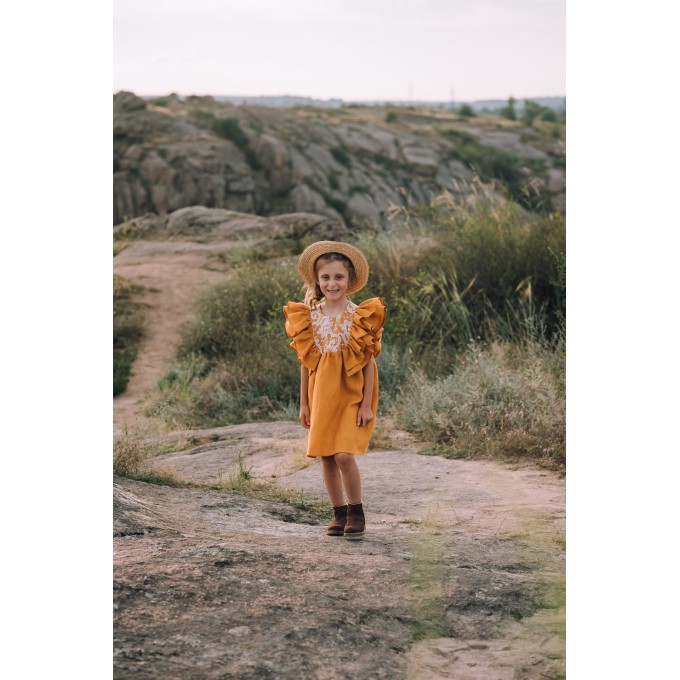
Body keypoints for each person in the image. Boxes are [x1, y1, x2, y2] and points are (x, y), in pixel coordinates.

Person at [283, 241, 386, 540]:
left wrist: (367, 404)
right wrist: (304, 403)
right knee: (326, 456)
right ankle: (338, 512)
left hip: (352, 392)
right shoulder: (310, 316)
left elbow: (368, 362)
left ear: (349, 280)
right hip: (320, 392)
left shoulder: (359, 316)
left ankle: (357, 510)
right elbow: (306, 362)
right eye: (325, 277)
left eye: (338, 277)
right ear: (317, 280)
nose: (332, 283)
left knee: (343, 454)